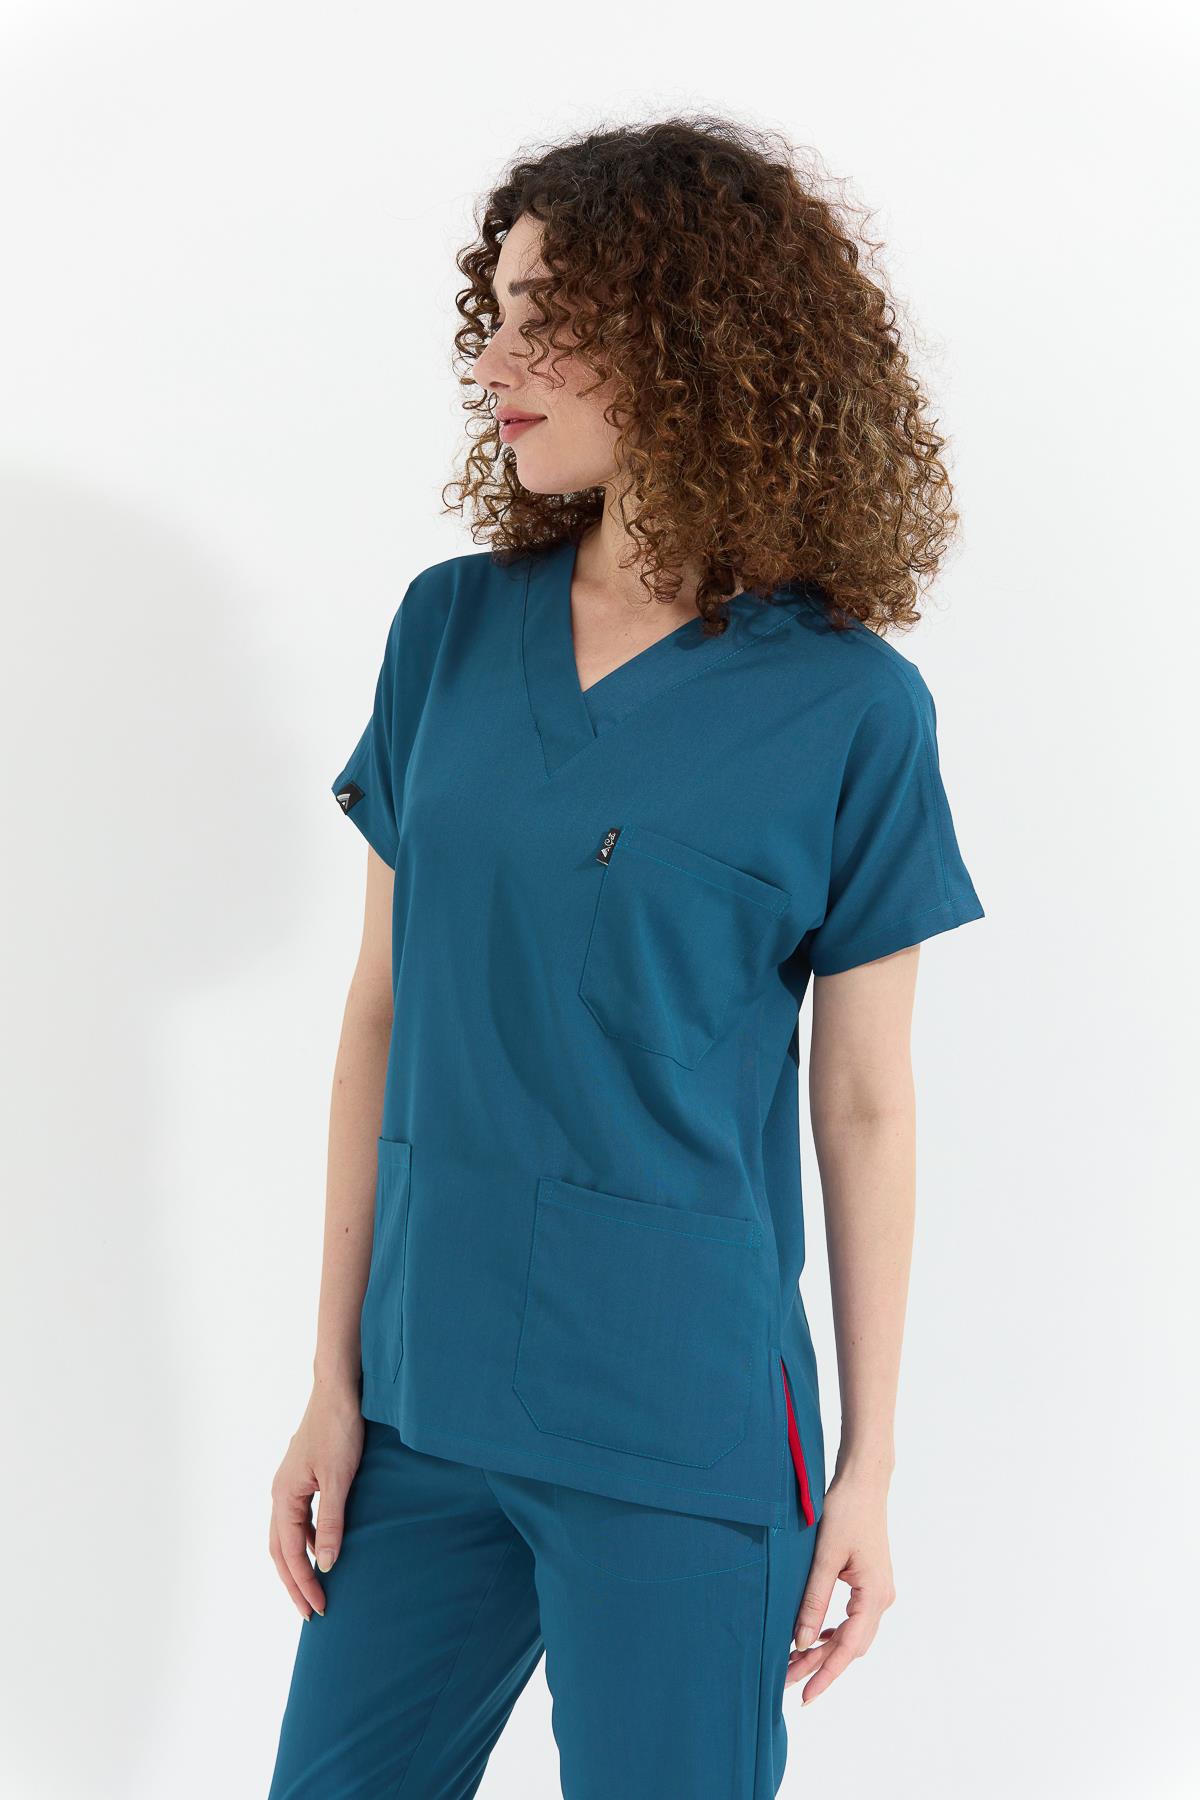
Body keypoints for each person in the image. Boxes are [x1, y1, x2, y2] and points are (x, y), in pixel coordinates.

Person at [266, 114, 985, 1799]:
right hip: (424, 1401)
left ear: (688, 337)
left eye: (546, 321)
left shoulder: (851, 709)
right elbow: (380, 1012)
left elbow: (864, 1105)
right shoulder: (449, 631)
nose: (492, 363)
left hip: (679, 1425)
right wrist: (331, 1380)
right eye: (494, 315)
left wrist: (870, 1468)